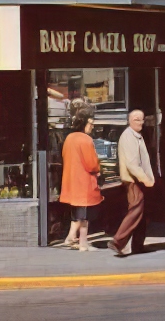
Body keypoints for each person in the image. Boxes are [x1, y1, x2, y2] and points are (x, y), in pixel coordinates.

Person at [110, 109, 156, 257]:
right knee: (136, 209)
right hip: (133, 180)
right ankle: (118, 240)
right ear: (129, 120)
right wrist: (145, 179)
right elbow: (131, 164)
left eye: (142, 119)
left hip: (138, 180)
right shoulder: (129, 137)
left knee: (142, 213)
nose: (140, 122)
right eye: (136, 119)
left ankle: (137, 245)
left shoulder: (137, 136)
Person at [59, 100, 101, 252]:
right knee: (84, 217)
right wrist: (98, 167)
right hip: (84, 183)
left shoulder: (69, 138)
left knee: (76, 214)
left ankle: (71, 238)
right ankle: (83, 243)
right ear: (84, 123)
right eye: (91, 123)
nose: (92, 126)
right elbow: (91, 164)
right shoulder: (86, 140)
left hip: (71, 182)